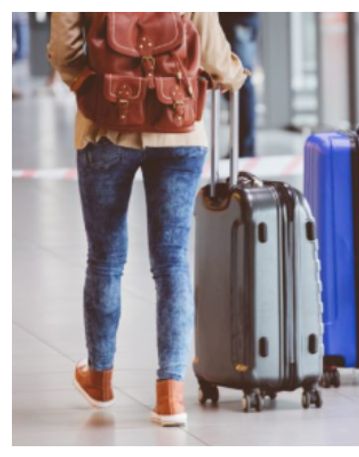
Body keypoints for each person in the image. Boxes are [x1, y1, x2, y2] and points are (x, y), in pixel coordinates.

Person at [48, 12, 247, 426]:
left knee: (105, 258)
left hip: (105, 126)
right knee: (171, 260)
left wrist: (87, 83)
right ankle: (170, 395)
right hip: (179, 126)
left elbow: (65, 47)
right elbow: (214, 56)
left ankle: (100, 377)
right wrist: (234, 75)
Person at [219, 13, 259, 157]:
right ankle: (241, 148)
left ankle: (244, 149)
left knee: (241, 82)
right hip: (230, 20)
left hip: (239, 19)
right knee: (234, 87)